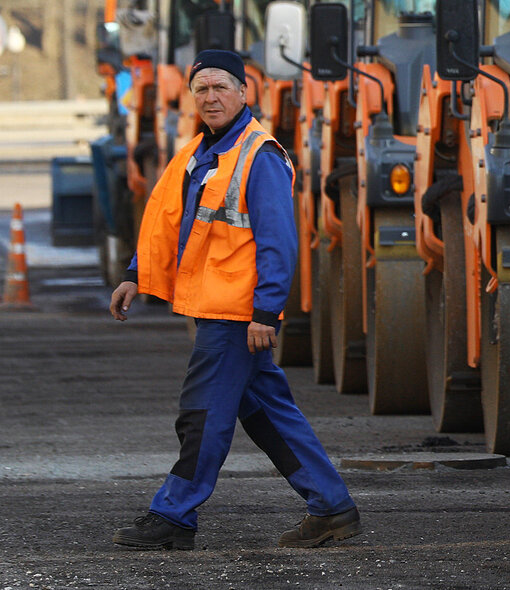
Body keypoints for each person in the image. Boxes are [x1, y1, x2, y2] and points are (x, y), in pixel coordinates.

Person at [108, 49, 359, 550]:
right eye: (201, 89)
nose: (210, 97)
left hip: (236, 315)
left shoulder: (258, 154)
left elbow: (277, 241)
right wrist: (137, 274)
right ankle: (331, 507)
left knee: (201, 414)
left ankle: (173, 515)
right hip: (216, 309)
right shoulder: (199, 153)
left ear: (245, 93)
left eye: (221, 86)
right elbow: (166, 221)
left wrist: (266, 311)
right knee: (267, 414)